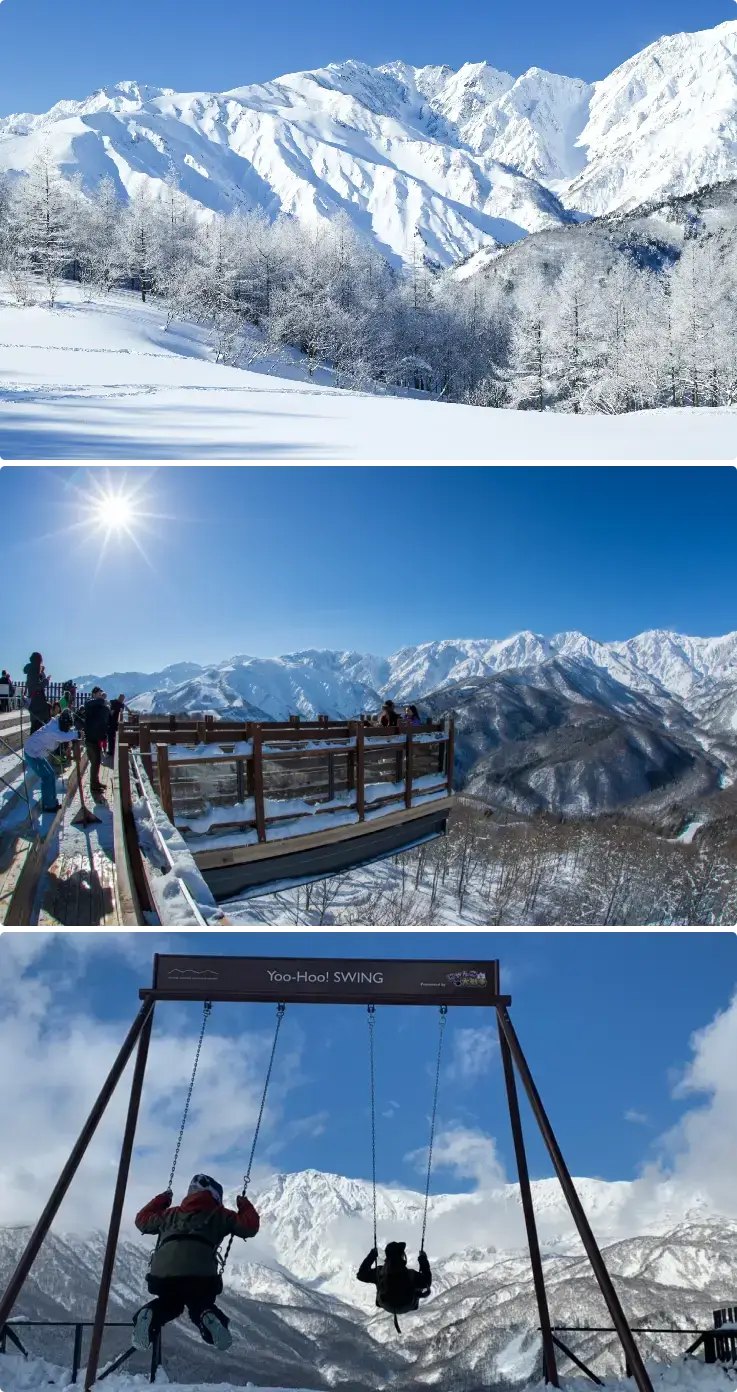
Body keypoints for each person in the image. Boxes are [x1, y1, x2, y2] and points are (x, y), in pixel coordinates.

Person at [131, 1174, 260, 1354]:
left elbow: (142, 1221)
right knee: (200, 1304)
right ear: (215, 1196)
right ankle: (208, 1316)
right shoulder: (221, 1215)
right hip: (200, 1275)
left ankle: (149, 1314)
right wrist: (244, 1205)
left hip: (162, 1273)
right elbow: (249, 1227)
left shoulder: (170, 1214)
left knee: (170, 1304)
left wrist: (161, 1200)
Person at [356, 1241, 432, 1331]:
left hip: (387, 1304)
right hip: (408, 1304)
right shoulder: (411, 1274)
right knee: (417, 1288)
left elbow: (361, 1275)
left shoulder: (380, 1272)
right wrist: (423, 1259)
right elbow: (427, 1282)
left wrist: (372, 1256)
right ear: (402, 1256)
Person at [23, 708, 81, 813]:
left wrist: (73, 731)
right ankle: (48, 805)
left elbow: (65, 732)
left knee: (50, 774)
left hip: (37, 753)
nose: (68, 728)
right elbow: (62, 736)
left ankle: (52, 802)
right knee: (46, 776)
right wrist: (77, 734)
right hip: (31, 754)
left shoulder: (56, 725)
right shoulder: (53, 729)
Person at [78, 687, 110, 794]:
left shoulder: (99, 707)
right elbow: (88, 704)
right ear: (94, 694)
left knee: (96, 762)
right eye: (99, 694)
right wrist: (102, 701)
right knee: (95, 762)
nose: (101, 696)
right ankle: (94, 785)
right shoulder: (90, 703)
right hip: (91, 738)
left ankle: (96, 782)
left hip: (96, 738)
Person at [23, 653, 50, 734]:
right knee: (37, 728)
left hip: (36, 702)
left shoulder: (33, 669)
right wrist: (46, 681)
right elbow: (36, 686)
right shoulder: (33, 670)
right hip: (37, 703)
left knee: (36, 727)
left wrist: (42, 673)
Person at [108, 693, 125, 761]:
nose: (122, 700)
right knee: (112, 738)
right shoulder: (119, 704)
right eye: (122, 698)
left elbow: (112, 712)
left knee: (112, 738)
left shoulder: (114, 702)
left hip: (114, 723)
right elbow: (112, 712)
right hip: (113, 723)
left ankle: (112, 751)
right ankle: (112, 751)